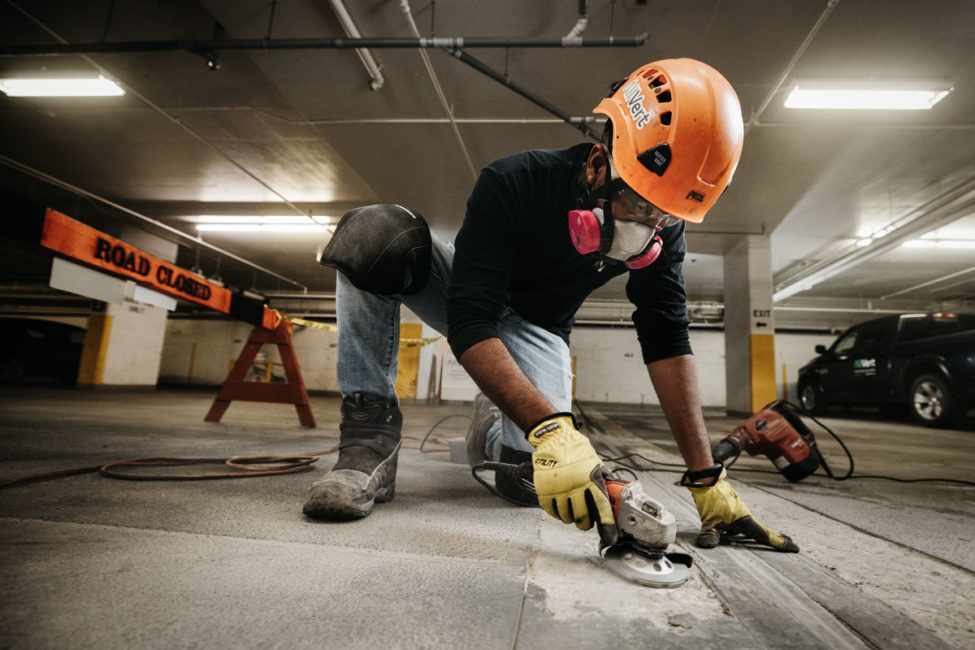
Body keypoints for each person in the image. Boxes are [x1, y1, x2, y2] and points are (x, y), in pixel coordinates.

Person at [304, 58, 798, 553]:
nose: (651, 229)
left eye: (667, 217)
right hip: (470, 296)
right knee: (375, 237)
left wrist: (705, 475)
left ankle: (494, 422)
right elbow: (472, 319)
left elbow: (666, 336)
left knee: (530, 485)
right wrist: (551, 428)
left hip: (540, 329)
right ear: (603, 161)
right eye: (643, 207)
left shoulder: (664, 232)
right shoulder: (514, 181)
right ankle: (367, 443)